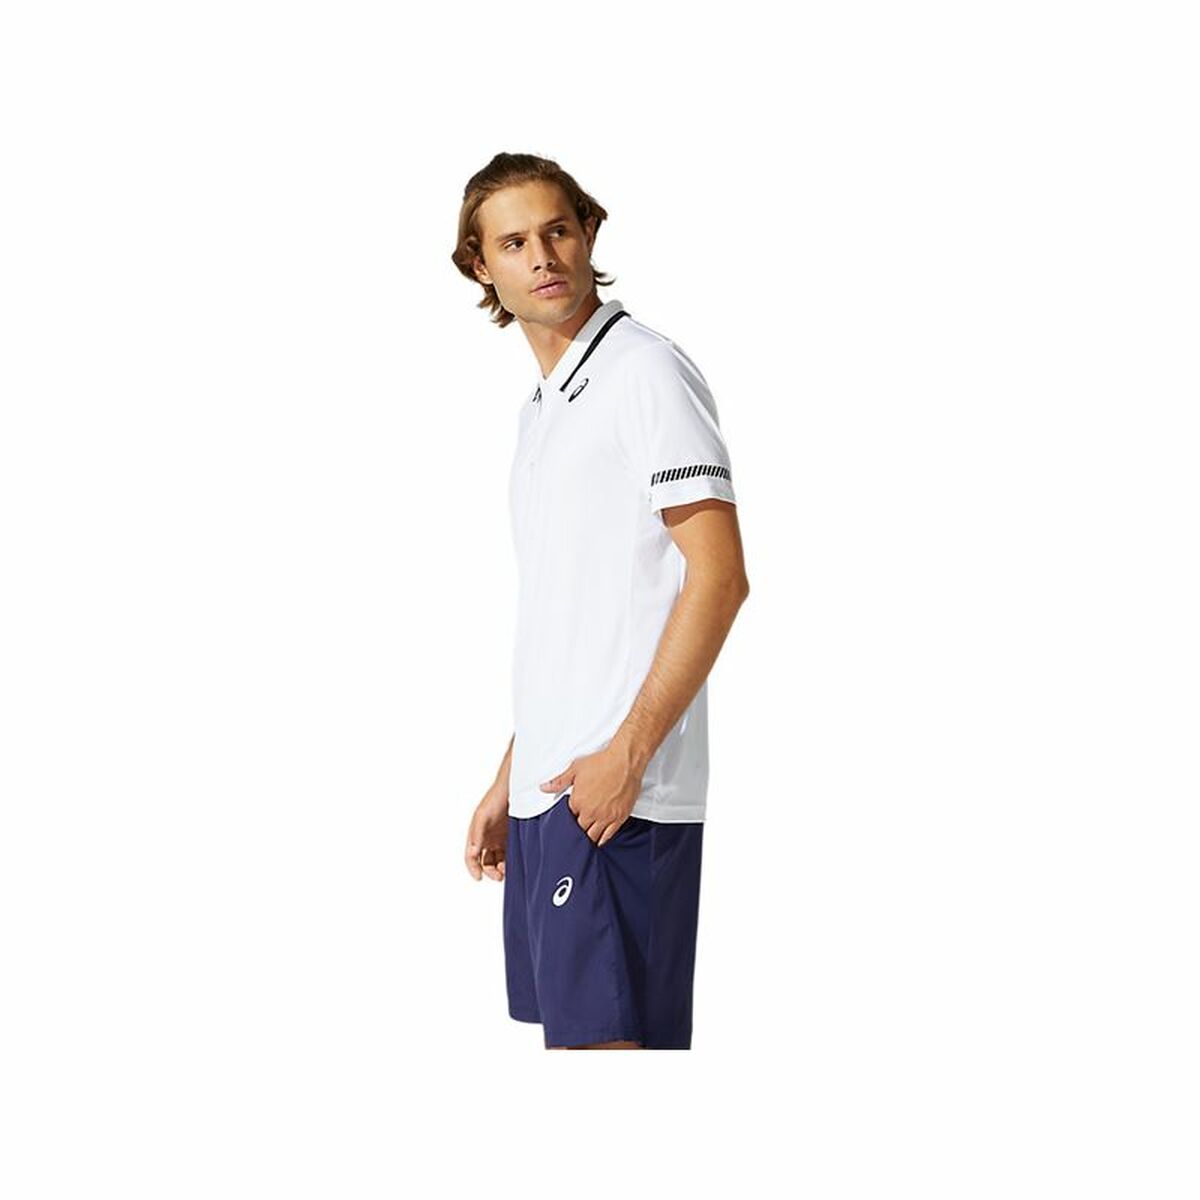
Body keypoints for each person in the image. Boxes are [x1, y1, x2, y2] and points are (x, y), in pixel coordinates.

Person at [452, 153, 750, 1049]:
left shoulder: (643, 372)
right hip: (554, 792)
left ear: (588, 233)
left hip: (622, 795)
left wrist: (628, 753)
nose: (542, 256)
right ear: (480, 266)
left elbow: (720, 575)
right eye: (514, 243)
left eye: (558, 230)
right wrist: (513, 773)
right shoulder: (541, 412)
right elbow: (573, 612)